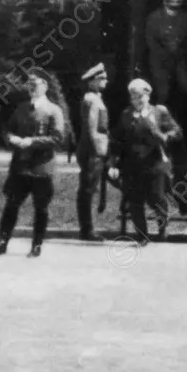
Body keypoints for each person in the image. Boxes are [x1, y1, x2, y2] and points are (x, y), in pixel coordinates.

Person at [0, 68, 67, 258]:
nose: (31, 87)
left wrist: (32, 142)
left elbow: (57, 138)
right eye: (29, 84)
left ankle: (36, 245)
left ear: (45, 86)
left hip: (41, 167)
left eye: (35, 84)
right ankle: (2, 242)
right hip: (20, 166)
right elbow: (7, 129)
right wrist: (11, 138)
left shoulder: (54, 111)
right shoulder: (21, 108)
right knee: (11, 205)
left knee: (41, 208)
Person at [108, 78, 182, 244]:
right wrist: (113, 162)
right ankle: (142, 236)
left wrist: (163, 136)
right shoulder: (126, 115)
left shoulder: (159, 112)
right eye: (134, 98)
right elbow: (117, 140)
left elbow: (176, 131)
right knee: (135, 200)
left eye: (140, 97)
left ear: (148, 97)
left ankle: (162, 229)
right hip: (132, 164)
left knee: (157, 197)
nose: (137, 101)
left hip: (155, 163)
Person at [75, 62, 109, 242]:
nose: (106, 81)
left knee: (90, 188)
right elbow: (92, 128)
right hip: (93, 151)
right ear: (93, 81)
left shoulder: (95, 98)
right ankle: (87, 229)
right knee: (89, 190)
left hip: (94, 150)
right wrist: (100, 150)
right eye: (102, 78)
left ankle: (87, 228)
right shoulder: (91, 99)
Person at [144, 0, 187, 105]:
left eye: (178, 1)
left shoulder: (185, 18)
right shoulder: (154, 18)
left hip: (179, 58)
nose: (174, 4)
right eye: (171, 1)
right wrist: (164, 53)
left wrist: (180, 51)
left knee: (185, 86)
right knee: (162, 92)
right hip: (159, 60)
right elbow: (150, 41)